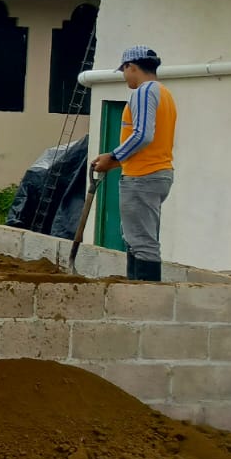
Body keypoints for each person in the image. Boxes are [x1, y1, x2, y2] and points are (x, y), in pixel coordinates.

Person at [92, 44, 175, 282]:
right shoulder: (164, 93)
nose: (124, 76)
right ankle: (135, 291)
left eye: (124, 70)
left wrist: (113, 157)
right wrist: (114, 162)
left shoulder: (144, 92)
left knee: (141, 243)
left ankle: (145, 297)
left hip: (143, 177)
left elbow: (142, 135)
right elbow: (149, 142)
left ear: (131, 66)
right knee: (136, 238)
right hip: (155, 173)